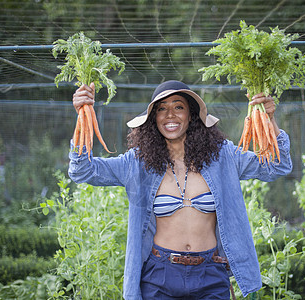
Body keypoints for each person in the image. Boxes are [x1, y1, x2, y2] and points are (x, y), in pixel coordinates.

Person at [69, 80, 292, 299]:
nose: (170, 115)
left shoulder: (222, 156)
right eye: (162, 109)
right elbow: (82, 170)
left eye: (178, 107)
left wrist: (269, 119)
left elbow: (276, 166)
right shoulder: (137, 164)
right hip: (160, 275)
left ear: (191, 115)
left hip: (210, 274)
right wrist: (84, 114)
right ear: (153, 118)